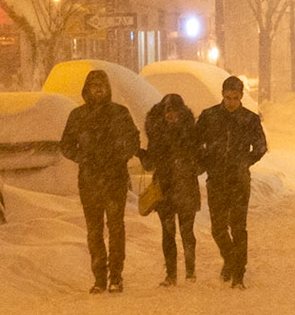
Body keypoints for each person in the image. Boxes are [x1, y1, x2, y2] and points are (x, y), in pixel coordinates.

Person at [59, 69, 141, 293]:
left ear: (108, 88)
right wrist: (82, 157)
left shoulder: (119, 113)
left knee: (115, 228)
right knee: (94, 231)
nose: (97, 89)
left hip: (114, 180)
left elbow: (133, 139)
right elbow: (66, 145)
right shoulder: (78, 116)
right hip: (90, 181)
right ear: (87, 88)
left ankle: (116, 276)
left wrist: (119, 155)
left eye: (101, 85)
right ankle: (99, 278)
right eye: (93, 85)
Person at [196, 75, 268, 287]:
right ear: (222, 95)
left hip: (239, 180)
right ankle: (231, 258)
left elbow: (261, 146)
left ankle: (238, 274)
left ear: (241, 97)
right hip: (217, 179)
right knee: (218, 228)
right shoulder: (209, 117)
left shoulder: (249, 119)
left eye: (235, 98)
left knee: (238, 227)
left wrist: (245, 162)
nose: (231, 102)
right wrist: (206, 160)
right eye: (228, 98)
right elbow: (195, 141)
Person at [139, 93, 203, 284]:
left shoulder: (191, 134)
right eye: (168, 112)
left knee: (186, 231)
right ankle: (171, 274)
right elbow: (150, 164)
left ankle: (190, 272)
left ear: (182, 113)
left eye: (175, 112)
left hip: (185, 188)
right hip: (165, 189)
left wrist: (188, 167)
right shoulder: (157, 135)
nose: (172, 116)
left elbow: (200, 161)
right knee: (168, 233)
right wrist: (141, 154)